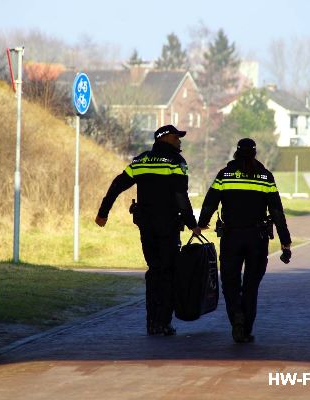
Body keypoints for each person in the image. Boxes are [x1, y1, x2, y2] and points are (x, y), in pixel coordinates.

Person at [95, 124, 201, 336]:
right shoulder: (176, 162)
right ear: (165, 139)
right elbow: (181, 196)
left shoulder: (141, 160)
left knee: (153, 272)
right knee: (168, 273)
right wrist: (192, 224)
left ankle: (152, 322)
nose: (180, 140)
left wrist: (103, 213)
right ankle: (163, 322)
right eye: (176, 137)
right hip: (168, 226)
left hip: (146, 226)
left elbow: (117, 184)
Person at [197, 138, 291, 343]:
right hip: (257, 239)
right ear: (255, 153)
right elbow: (276, 211)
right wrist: (285, 242)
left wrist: (201, 224)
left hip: (231, 237)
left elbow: (210, 202)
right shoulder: (265, 177)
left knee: (230, 283)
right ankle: (246, 328)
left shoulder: (225, 175)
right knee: (251, 285)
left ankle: (237, 319)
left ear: (236, 152)